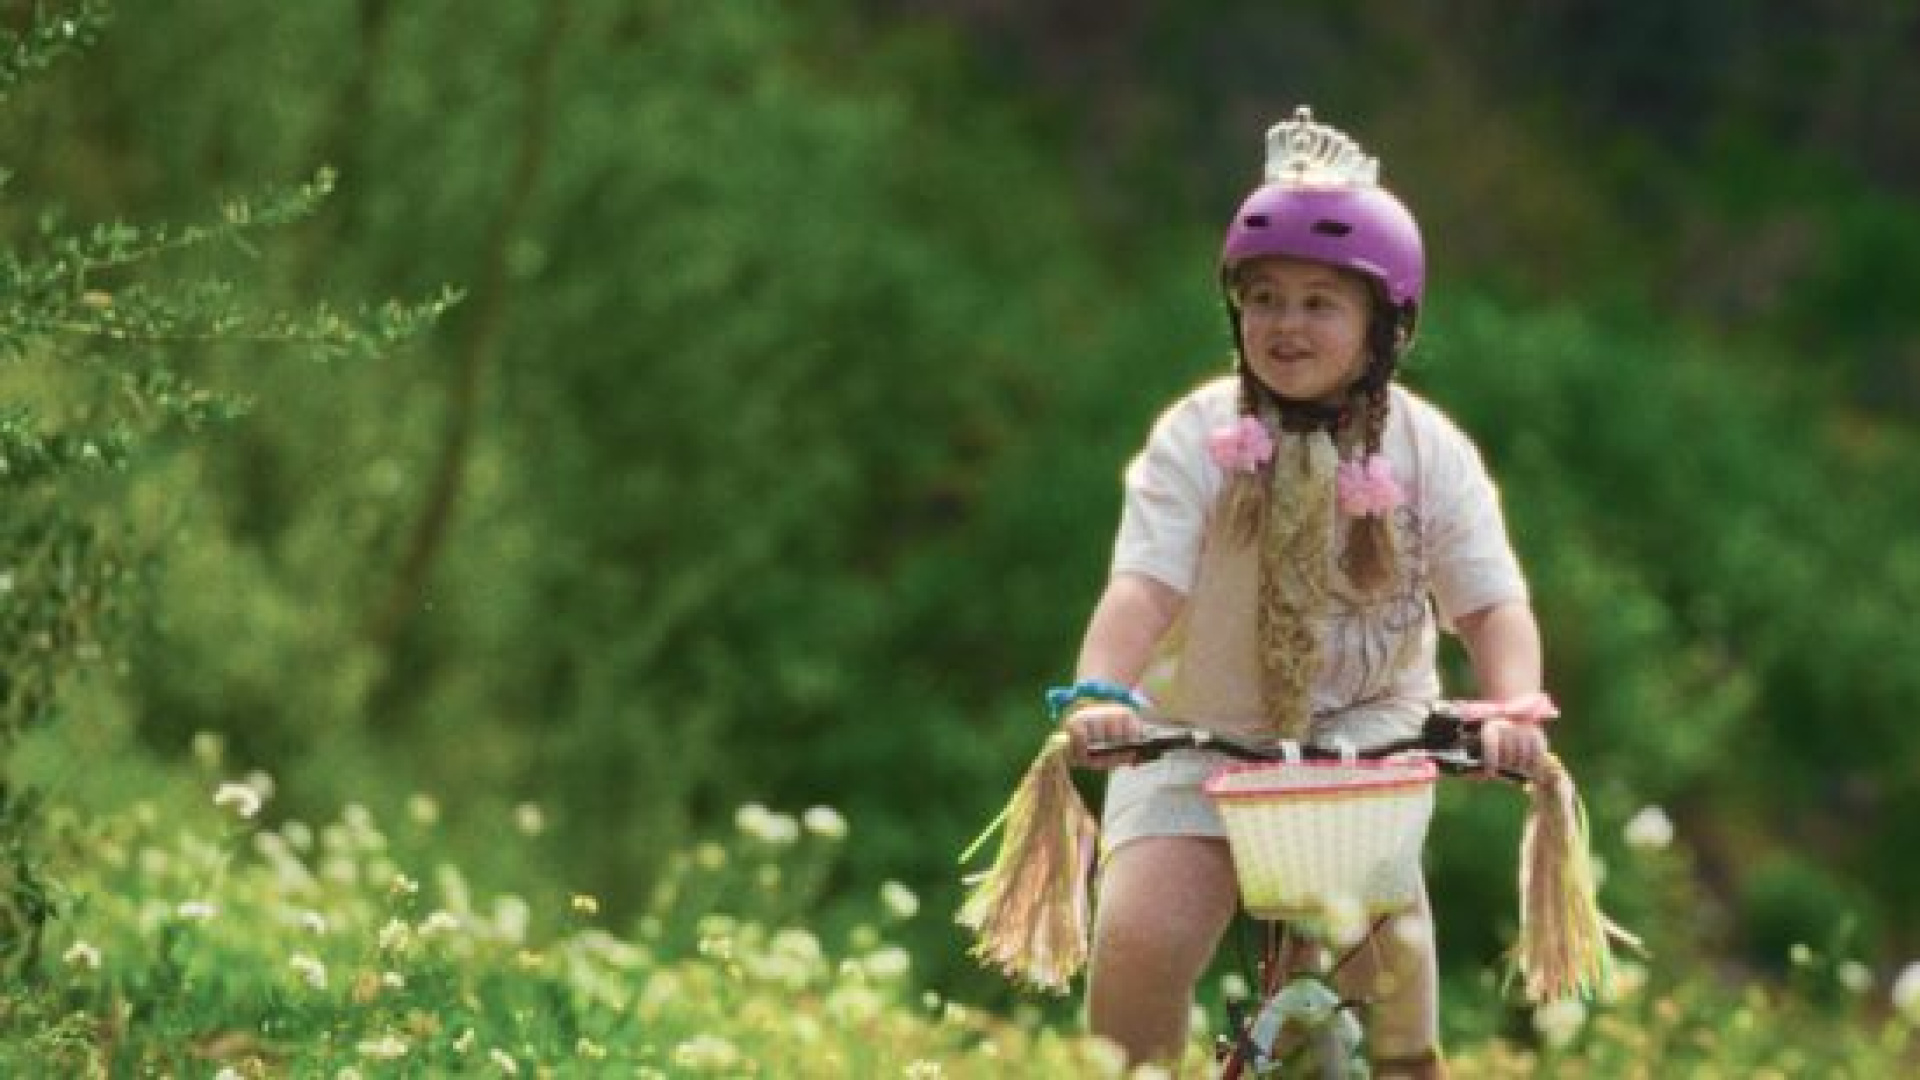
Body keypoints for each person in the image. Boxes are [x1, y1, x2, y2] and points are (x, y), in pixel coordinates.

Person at [1053, 107, 1552, 1078]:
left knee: (1394, 1005)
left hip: (1362, 752)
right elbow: (1142, 587)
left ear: (1383, 327)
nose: (1287, 324)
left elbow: (1493, 604)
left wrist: (1510, 710)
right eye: (1265, 299)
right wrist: (1101, 693)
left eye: (1321, 303)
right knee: (1142, 937)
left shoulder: (1427, 451)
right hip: (1199, 736)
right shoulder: (1198, 437)